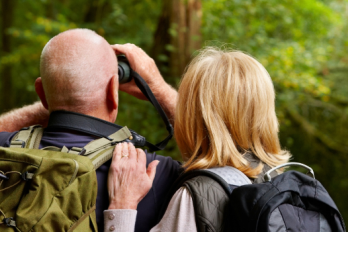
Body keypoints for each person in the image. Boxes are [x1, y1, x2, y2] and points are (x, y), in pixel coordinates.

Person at [0, 28, 182, 232]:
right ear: (113, 90)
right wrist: (158, 88)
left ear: (40, 92)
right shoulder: (149, 172)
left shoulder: (2, 152)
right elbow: (204, 156)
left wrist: (58, 94)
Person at [106, 47, 292, 232]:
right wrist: (158, 89)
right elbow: (212, 130)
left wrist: (122, 205)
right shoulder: (279, 183)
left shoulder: (193, 198)